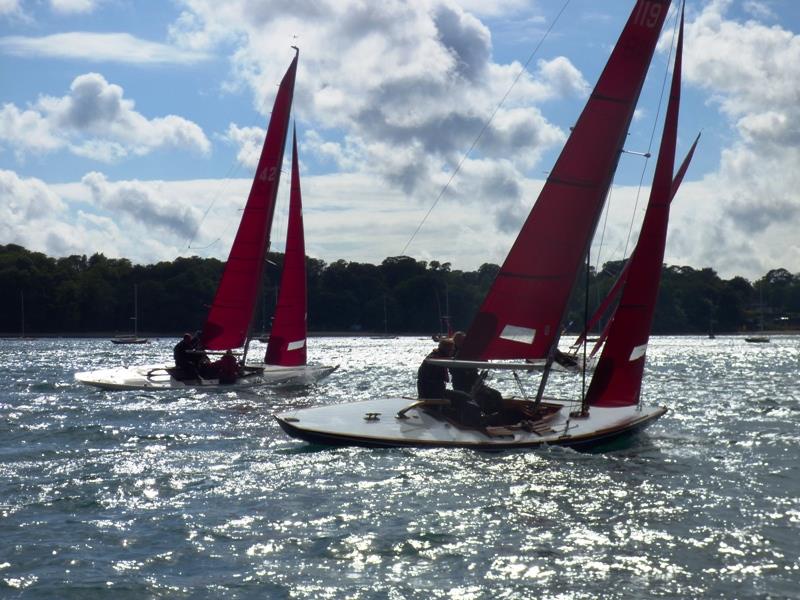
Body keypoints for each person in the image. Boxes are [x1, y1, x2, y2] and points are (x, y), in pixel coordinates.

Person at [417, 338, 482, 426]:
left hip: (434, 391)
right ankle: (469, 423)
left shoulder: (437, 355)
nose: (453, 351)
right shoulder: (435, 358)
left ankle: (463, 419)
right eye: (452, 350)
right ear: (447, 349)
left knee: (463, 396)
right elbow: (443, 362)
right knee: (465, 397)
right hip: (432, 393)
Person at [450, 331, 504, 417]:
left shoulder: (470, 351)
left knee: (496, 395)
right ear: (456, 342)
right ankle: (482, 418)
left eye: (465, 340)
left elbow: (481, 360)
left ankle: (498, 417)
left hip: (476, 384)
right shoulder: (453, 353)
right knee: (481, 399)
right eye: (462, 341)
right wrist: (468, 372)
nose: (464, 343)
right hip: (463, 386)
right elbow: (454, 370)